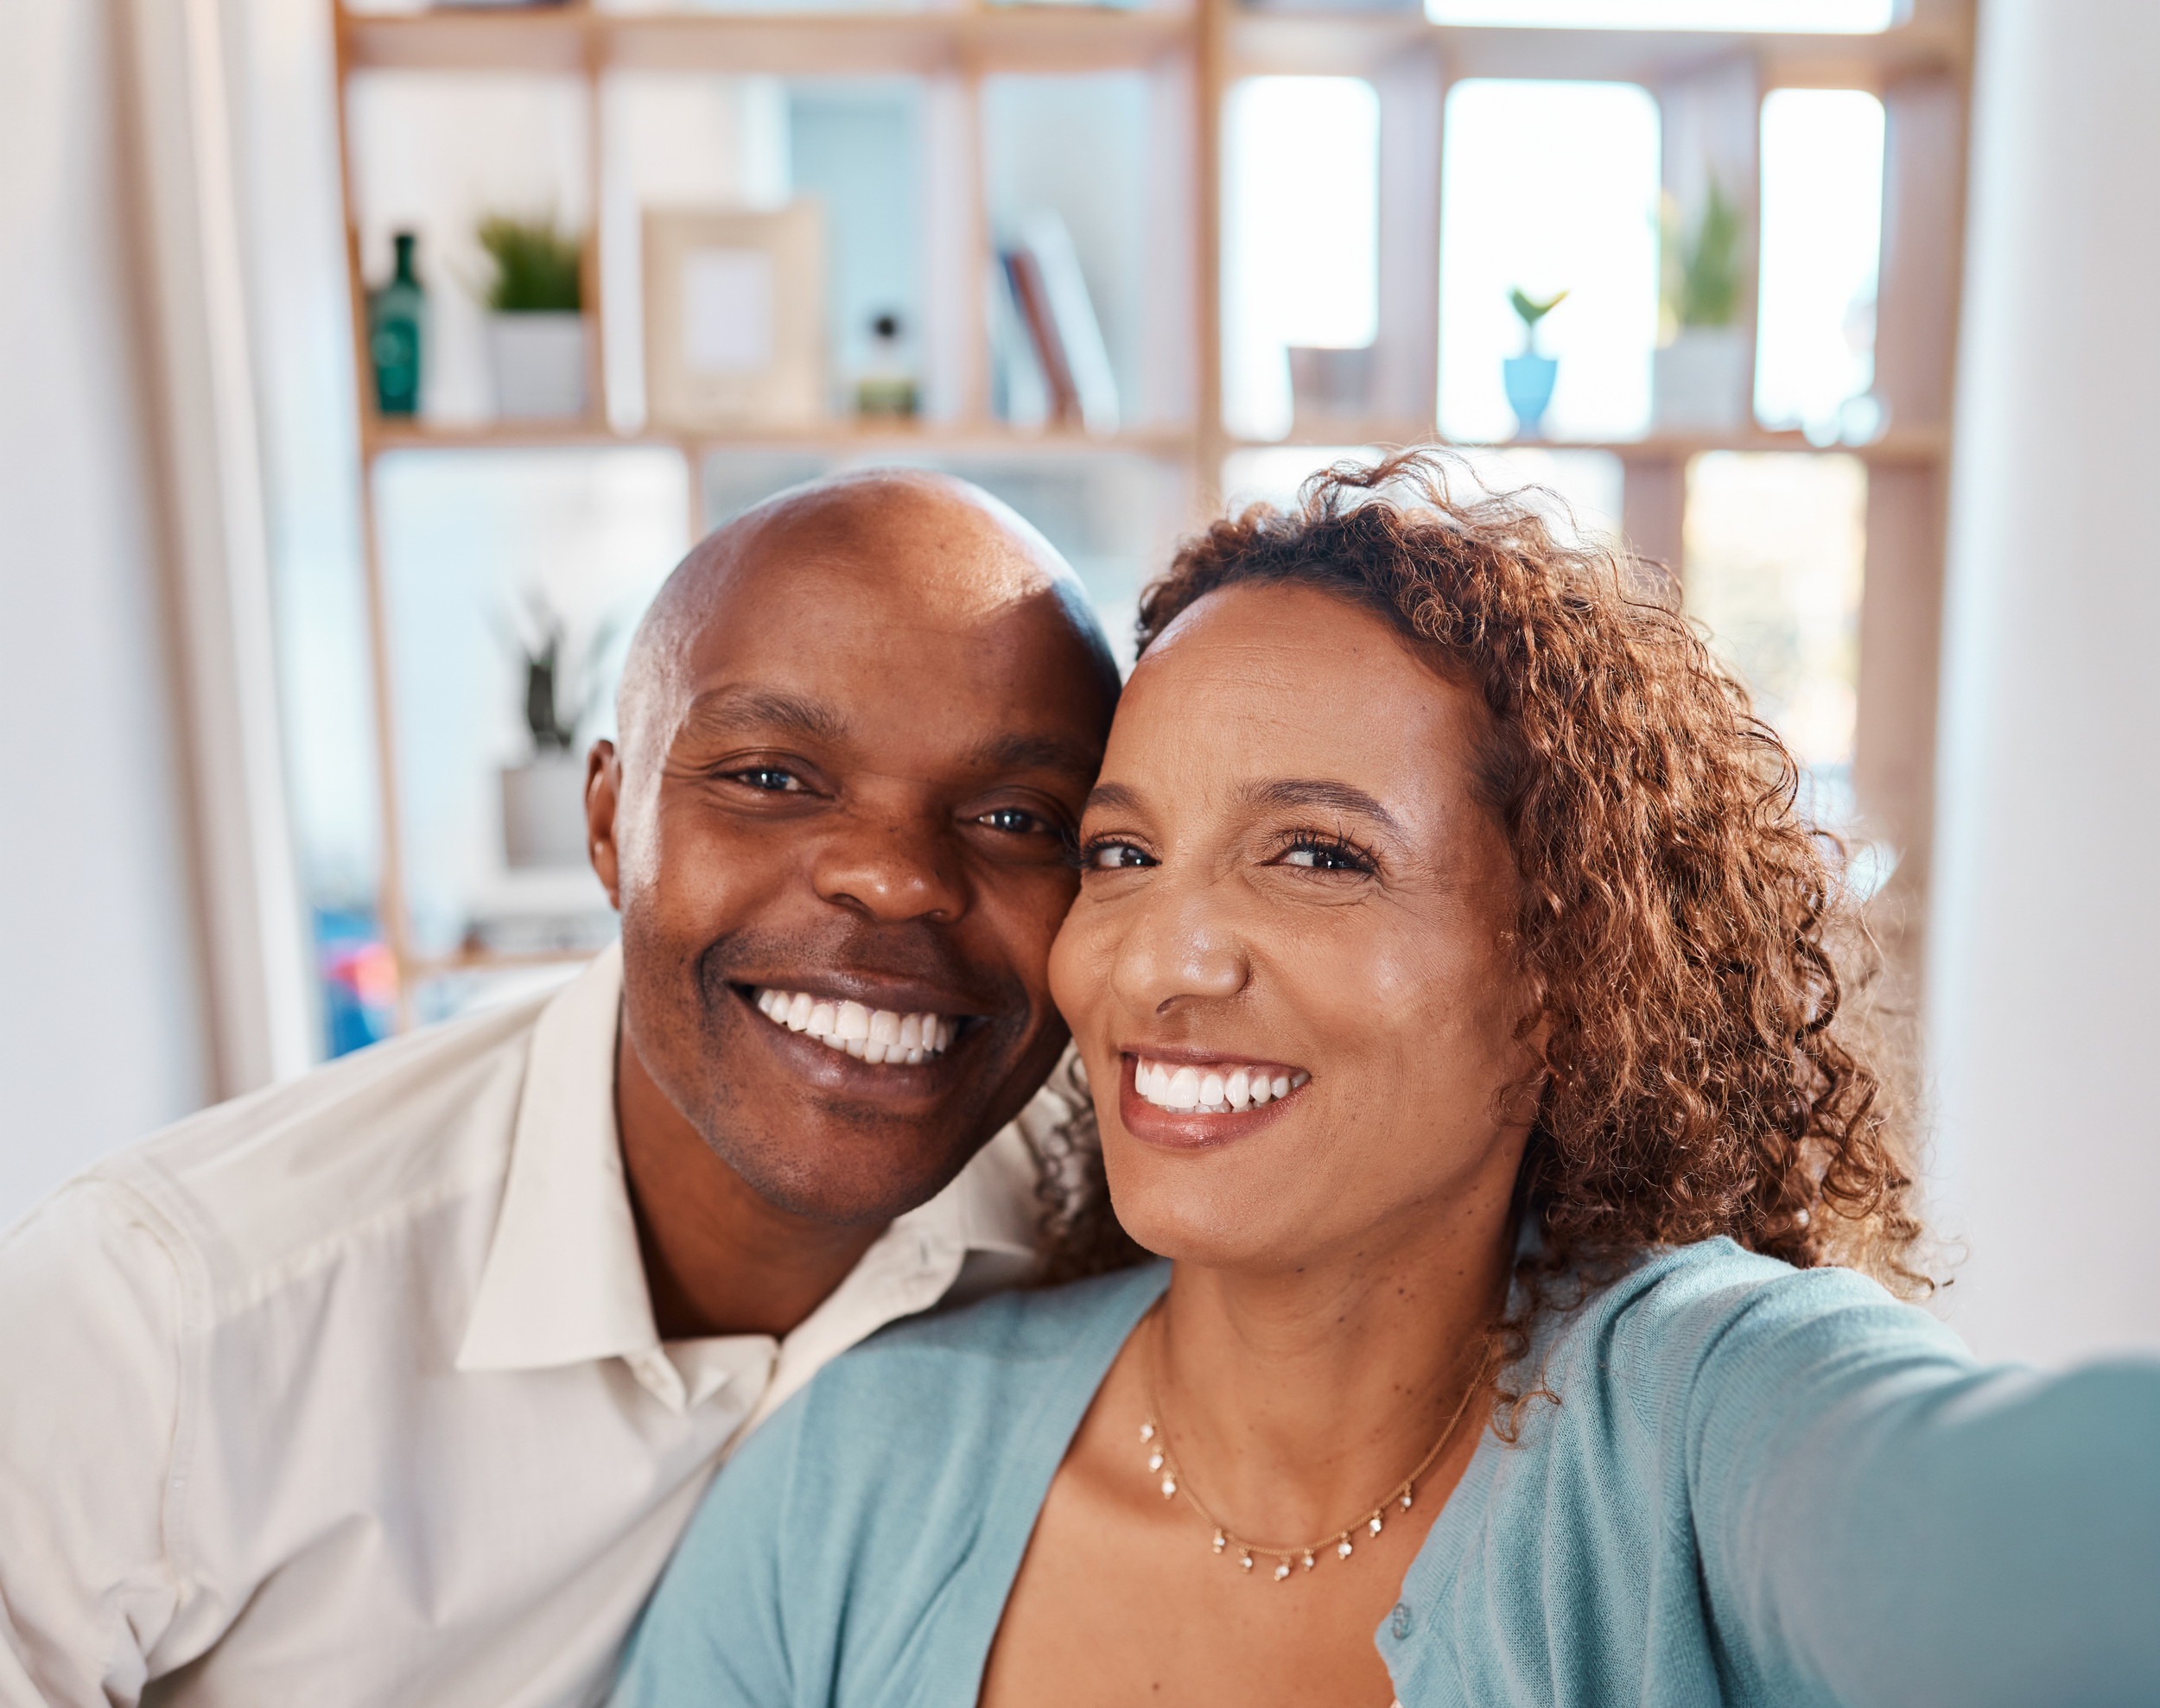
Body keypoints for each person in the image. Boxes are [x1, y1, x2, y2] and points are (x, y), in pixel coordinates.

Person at [616, 451, 2160, 1708]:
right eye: (1123, 854)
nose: (1163, 959)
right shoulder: (859, 1476)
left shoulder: (1700, 1418)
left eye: (1318, 855)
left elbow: (2018, 1531)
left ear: (1567, 970)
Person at [0, 470, 1123, 1705]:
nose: (893, 879)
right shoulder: (159, 1320)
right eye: (771, 778)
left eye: (1019, 817)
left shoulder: (1104, 1233)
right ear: (607, 825)